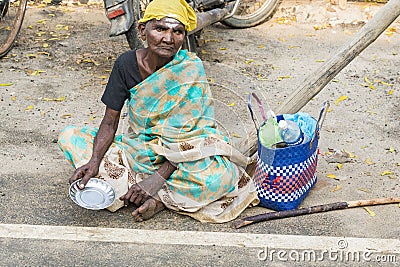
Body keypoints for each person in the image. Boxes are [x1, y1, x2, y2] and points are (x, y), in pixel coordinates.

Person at [58, 0, 259, 223]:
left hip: (183, 157)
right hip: (138, 151)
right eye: (160, 28)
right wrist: (94, 161)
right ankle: (161, 193)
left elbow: (197, 136)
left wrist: (157, 179)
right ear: (143, 31)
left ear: (184, 36)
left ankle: (157, 199)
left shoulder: (191, 68)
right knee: (70, 137)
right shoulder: (125, 64)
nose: (168, 38)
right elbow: (109, 121)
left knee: (220, 178)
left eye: (178, 31)